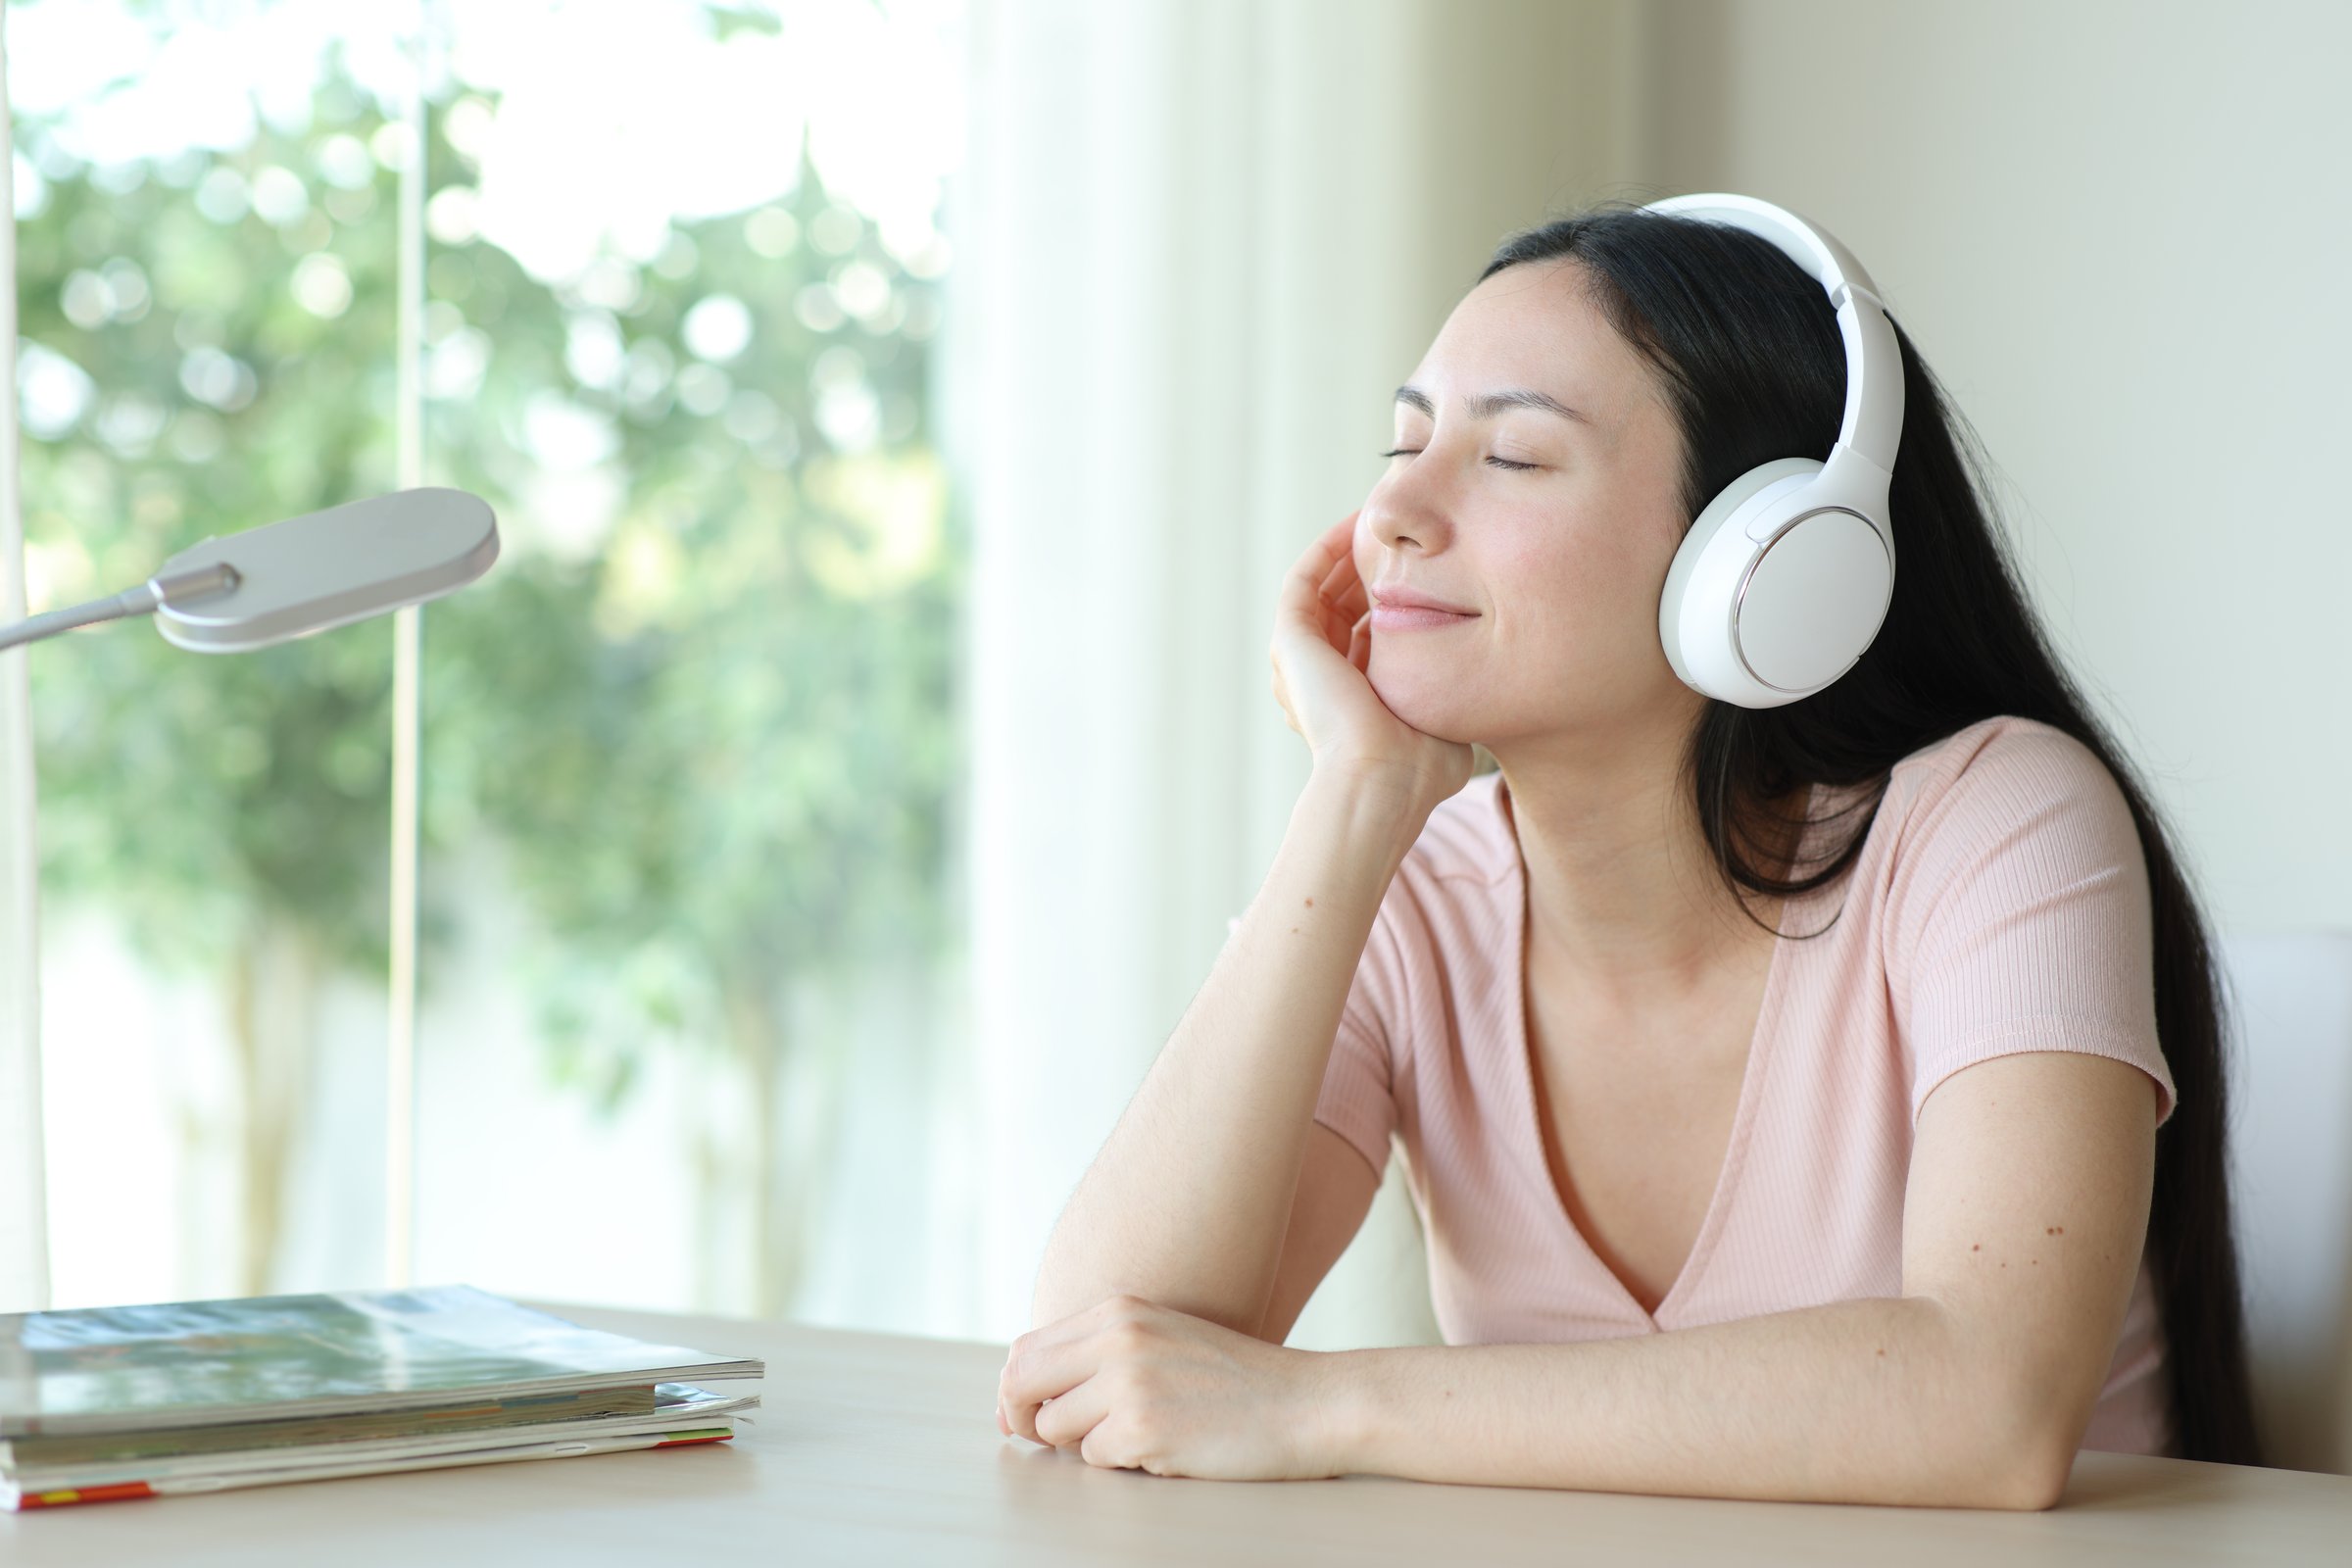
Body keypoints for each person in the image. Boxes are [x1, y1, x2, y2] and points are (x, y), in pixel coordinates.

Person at [995, 200, 2261, 1508]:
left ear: (1762, 551)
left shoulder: (1996, 822)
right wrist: (1355, 794)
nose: (1392, 514)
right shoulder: (1411, 891)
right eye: (1404, 443)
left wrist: (1320, 1403)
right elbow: (1088, 1366)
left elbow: (1989, 1406)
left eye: (1512, 456)